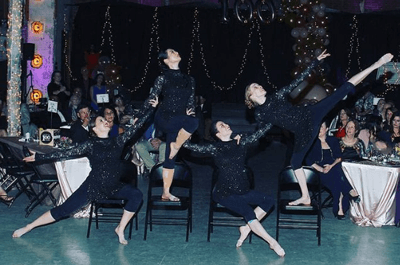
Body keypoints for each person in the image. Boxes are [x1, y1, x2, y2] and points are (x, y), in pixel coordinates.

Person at [244, 52, 393, 206]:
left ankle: (376, 64)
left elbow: (297, 81)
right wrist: (242, 140)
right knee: (295, 162)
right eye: (255, 86)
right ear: (250, 96)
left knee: (343, 90)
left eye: (259, 84)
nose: (260, 86)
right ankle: (305, 196)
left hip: (310, 115)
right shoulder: (260, 113)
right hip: (303, 132)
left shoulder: (276, 96)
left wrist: (315, 62)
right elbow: (260, 132)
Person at [12, 97, 158, 245]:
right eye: (101, 121)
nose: (106, 121)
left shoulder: (118, 141)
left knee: (136, 195)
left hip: (114, 186)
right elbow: (65, 153)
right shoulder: (90, 144)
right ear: (94, 128)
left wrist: (152, 108)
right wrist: (39, 157)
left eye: (106, 120)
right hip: (93, 186)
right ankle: (28, 227)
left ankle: (120, 228)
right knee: (62, 210)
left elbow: (137, 126)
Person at [183, 121, 284, 257]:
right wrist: (184, 137)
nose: (226, 125)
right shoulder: (215, 147)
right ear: (218, 134)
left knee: (269, 201)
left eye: (225, 123)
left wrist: (271, 120)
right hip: (224, 193)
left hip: (242, 190)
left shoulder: (240, 142)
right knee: (248, 212)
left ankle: (246, 228)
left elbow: (258, 134)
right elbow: (193, 147)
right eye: (221, 126)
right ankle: (272, 242)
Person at [140, 48, 198, 201]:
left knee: (169, 158)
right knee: (192, 123)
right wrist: (145, 109)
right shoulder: (162, 78)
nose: (176, 52)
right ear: (166, 60)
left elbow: (191, 103)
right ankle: (176, 146)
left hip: (179, 120)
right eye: (172, 52)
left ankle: (166, 192)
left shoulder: (189, 80)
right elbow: (152, 98)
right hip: (165, 117)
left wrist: (189, 116)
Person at [306, 119, 360, 219]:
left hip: (333, 168)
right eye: (318, 127)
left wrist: (330, 166)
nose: (319, 129)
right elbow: (308, 160)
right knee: (339, 177)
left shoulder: (333, 140)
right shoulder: (312, 142)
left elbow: (339, 157)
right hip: (319, 172)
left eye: (322, 127)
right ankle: (350, 191)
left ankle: (339, 205)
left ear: (326, 129)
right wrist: (322, 169)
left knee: (337, 170)